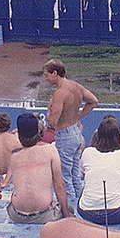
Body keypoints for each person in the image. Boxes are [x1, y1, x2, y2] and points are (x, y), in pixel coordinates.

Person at [43, 59, 99, 207]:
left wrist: (49, 107)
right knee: (75, 175)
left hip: (65, 135)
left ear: (55, 73)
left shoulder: (60, 93)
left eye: (46, 75)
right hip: (76, 133)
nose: (45, 78)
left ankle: (69, 210)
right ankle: (80, 205)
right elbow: (93, 100)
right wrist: (78, 117)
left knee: (65, 176)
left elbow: (52, 122)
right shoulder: (76, 86)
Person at [4, 114, 68, 224]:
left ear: (19, 134)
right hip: (44, 214)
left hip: (17, 214)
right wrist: (66, 215)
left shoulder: (14, 156)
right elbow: (59, 185)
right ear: (38, 131)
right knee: (68, 208)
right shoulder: (50, 150)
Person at [78, 117, 120, 225]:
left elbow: (83, 173)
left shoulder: (88, 152)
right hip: (116, 213)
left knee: (88, 182)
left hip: (86, 212)